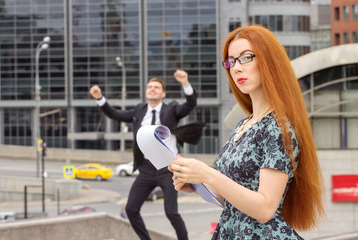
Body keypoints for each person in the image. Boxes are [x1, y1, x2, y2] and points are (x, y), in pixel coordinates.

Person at [168, 25, 325, 239]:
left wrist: (208, 173)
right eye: (231, 61)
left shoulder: (278, 127)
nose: (236, 68)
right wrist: (198, 185)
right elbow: (236, 198)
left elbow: (265, 209)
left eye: (246, 58)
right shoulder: (244, 125)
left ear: (270, 61)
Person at [90, 69, 196, 240]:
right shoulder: (140, 110)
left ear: (163, 93)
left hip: (167, 168)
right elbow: (114, 114)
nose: (152, 89)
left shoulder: (171, 109)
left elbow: (189, 105)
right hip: (146, 168)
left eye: (156, 87)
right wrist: (99, 98)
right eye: (149, 87)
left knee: (171, 212)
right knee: (131, 209)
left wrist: (185, 83)